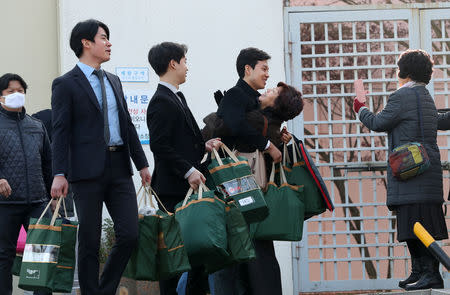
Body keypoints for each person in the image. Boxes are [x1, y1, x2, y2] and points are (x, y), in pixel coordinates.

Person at [50, 19, 151, 295]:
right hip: (85, 171)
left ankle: (103, 290)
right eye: (103, 37)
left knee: (130, 234)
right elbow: (60, 131)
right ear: (86, 43)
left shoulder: (114, 81)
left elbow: (127, 124)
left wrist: (141, 163)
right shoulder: (65, 84)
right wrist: (59, 172)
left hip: (119, 167)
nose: (109, 43)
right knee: (91, 240)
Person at [353, 49, 447, 290]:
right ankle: (420, 271)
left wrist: (360, 107)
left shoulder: (402, 97)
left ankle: (429, 273)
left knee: (415, 224)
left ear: (404, 72)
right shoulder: (424, 95)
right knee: (416, 224)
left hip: (411, 172)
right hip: (426, 171)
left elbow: (377, 123)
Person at [211, 48, 297, 295]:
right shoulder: (237, 95)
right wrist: (268, 145)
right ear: (248, 69)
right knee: (236, 245)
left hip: (244, 181)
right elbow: (235, 126)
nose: (267, 75)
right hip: (233, 182)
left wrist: (276, 140)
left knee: (249, 244)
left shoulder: (252, 99)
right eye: (264, 69)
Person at [146, 42, 221, 295]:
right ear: (173, 63)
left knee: (196, 255)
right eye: (185, 61)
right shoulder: (161, 101)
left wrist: (204, 144)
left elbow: (181, 141)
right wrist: (188, 171)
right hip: (172, 190)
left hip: (186, 188)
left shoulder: (176, 96)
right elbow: (160, 146)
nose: (187, 67)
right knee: (174, 258)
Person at [0, 73, 53, 295]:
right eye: (10, 91)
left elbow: (48, 164)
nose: (16, 95)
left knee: (43, 257)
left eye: (20, 91)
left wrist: (53, 196)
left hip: (38, 203)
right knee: (4, 256)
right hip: (6, 203)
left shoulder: (37, 125)